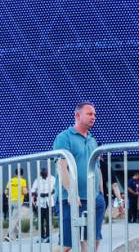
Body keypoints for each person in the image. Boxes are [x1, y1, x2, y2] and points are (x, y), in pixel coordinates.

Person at [54, 101, 122, 252]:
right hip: (69, 199)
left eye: (95, 114)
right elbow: (61, 167)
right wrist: (72, 192)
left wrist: (101, 196)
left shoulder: (92, 140)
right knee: (66, 245)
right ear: (77, 116)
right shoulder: (64, 137)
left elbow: (96, 168)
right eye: (89, 114)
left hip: (93, 199)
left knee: (91, 240)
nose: (94, 117)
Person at [30, 168, 55, 241]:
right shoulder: (37, 180)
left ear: (47, 172)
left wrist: (49, 193)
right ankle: (41, 236)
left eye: (45, 172)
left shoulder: (52, 179)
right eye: (42, 173)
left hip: (50, 202)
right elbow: (32, 191)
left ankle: (48, 237)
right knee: (40, 221)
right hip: (40, 203)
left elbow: (56, 188)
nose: (43, 174)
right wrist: (37, 194)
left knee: (48, 221)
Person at [5, 168, 28, 241]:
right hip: (18, 201)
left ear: (15, 173)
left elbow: (6, 191)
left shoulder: (11, 180)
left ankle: (18, 235)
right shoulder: (23, 181)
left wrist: (9, 196)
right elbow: (24, 192)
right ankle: (9, 235)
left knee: (14, 218)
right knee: (14, 219)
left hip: (11, 201)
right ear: (22, 173)